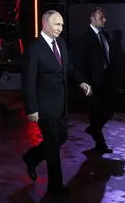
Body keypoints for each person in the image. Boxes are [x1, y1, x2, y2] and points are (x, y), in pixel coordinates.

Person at [22, 10, 90, 195]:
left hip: (61, 104)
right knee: (52, 146)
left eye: (61, 25)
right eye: (56, 24)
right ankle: (55, 187)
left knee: (61, 138)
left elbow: (68, 67)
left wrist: (80, 81)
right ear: (44, 23)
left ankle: (32, 157)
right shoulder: (34, 48)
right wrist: (32, 108)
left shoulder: (61, 43)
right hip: (44, 106)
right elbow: (28, 80)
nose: (60, 28)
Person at [75, 7, 115, 154]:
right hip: (92, 82)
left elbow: (108, 58)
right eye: (101, 18)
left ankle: (94, 130)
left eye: (104, 17)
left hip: (105, 79)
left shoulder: (105, 36)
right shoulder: (85, 39)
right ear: (92, 19)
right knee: (95, 111)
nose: (104, 20)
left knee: (109, 111)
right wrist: (84, 82)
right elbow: (79, 63)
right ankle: (100, 143)